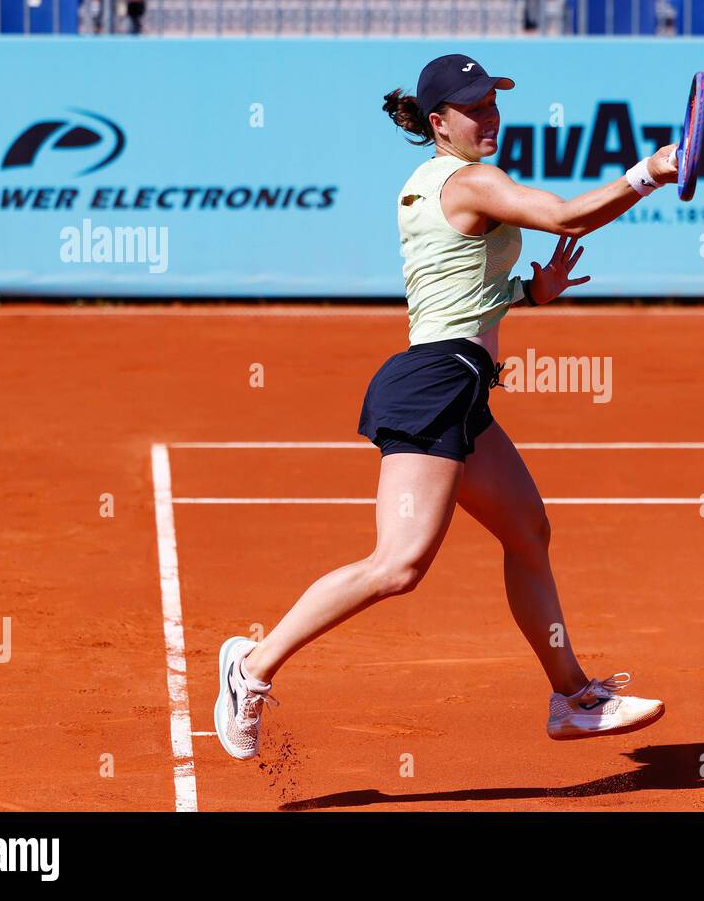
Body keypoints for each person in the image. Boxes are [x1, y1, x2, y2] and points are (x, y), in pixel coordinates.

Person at [215, 53, 679, 760]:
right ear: (439, 123)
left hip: (458, 383)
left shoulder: (431, 181)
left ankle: (573, 698)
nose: (489, 117)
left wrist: (529, 297)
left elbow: (457, 293)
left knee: (527, 531)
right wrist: (646, 175)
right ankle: (250, 667)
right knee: (399, 566)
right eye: (473, 109)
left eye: (493, 104)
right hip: (436, 383)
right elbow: (563, 216)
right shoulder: (471, 181)